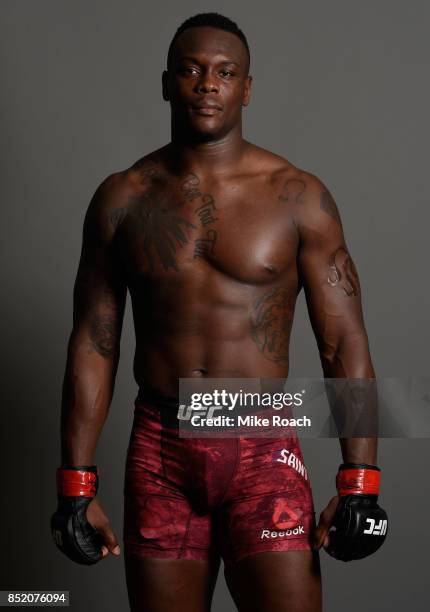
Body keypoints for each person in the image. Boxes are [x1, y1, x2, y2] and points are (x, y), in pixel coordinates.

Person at [51, 12, 387, 612]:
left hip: (262, 443)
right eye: (192, 70)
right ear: (166, 83)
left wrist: (359, 480)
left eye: (225, 73)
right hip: (160, 448)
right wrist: (76, 483)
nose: (208, 84)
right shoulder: (122, 198)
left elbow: (344, 342)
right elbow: (94, 343)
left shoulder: (298, 195)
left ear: (246, 89)